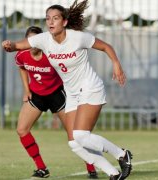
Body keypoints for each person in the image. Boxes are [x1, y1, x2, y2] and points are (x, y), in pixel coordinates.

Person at [2, 0, 133, 179]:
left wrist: (116, 64)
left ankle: (121, 154)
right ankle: (113, 173)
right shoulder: (44, 39)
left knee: (81, 135)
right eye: (48, 18)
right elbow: (18, 46)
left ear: (64, 22)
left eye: (55, 18)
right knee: (75, 143)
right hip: (72, 93)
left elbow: (105, 47)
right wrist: (9, 46)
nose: (51, 22)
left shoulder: (77, 37)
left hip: (89, 87)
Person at [15, 26, 98, 179]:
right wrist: (27, 90)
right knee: (22, 129)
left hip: (57, 95)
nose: (32, 45)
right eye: (29, 41)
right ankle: (41, 168)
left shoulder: (51, 55)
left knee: (75, 135)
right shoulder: (22, 55)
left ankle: (92, 168)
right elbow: (22, 68)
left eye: (35, 41)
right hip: (37, 96)